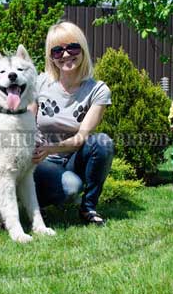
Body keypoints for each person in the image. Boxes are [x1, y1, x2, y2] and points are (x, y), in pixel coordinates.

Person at [31, 21, 114, 226]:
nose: (66, 55)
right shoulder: (40, 82)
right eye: (57, 51)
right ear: (51, 57)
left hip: (71, 159)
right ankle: (33, 205)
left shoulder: (98, 90)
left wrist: (51, 148)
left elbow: (81, 137)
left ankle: (88, 207)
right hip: (39, 160)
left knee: (102, 143)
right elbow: (27, 123)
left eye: (72, 47)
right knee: (68, 187)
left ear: (83, 49)